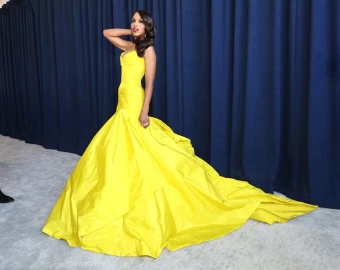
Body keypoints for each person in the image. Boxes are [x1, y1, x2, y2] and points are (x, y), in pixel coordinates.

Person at [42, 10, 317, 258]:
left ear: (149, 28)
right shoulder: (129, 46)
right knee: (118, 152)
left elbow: (149, 84)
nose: (134, 24)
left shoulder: (148, 52)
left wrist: (144, 111)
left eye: (140, 21)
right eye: (133, 20)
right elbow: (106, 33)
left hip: (135, 104)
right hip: (121, 104)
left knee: (142, 150)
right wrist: (133, 32)